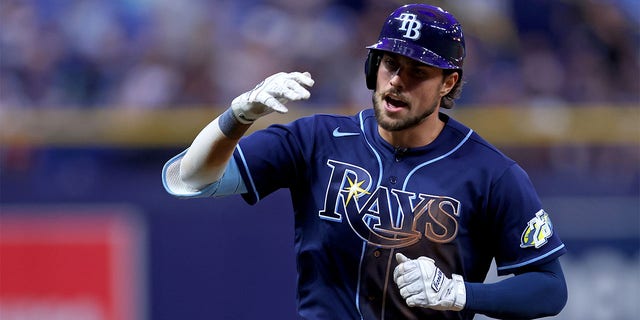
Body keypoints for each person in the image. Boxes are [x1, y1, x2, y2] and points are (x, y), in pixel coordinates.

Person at [162, 4, 568, 319]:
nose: (397, 80)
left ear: (449, 82)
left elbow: (550, 288)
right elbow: (190, 179)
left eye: (418, 71)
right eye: (391, 64)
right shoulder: (317, 139)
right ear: (373, 67)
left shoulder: (491, 173)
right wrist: (237, 117)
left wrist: (460, 293)